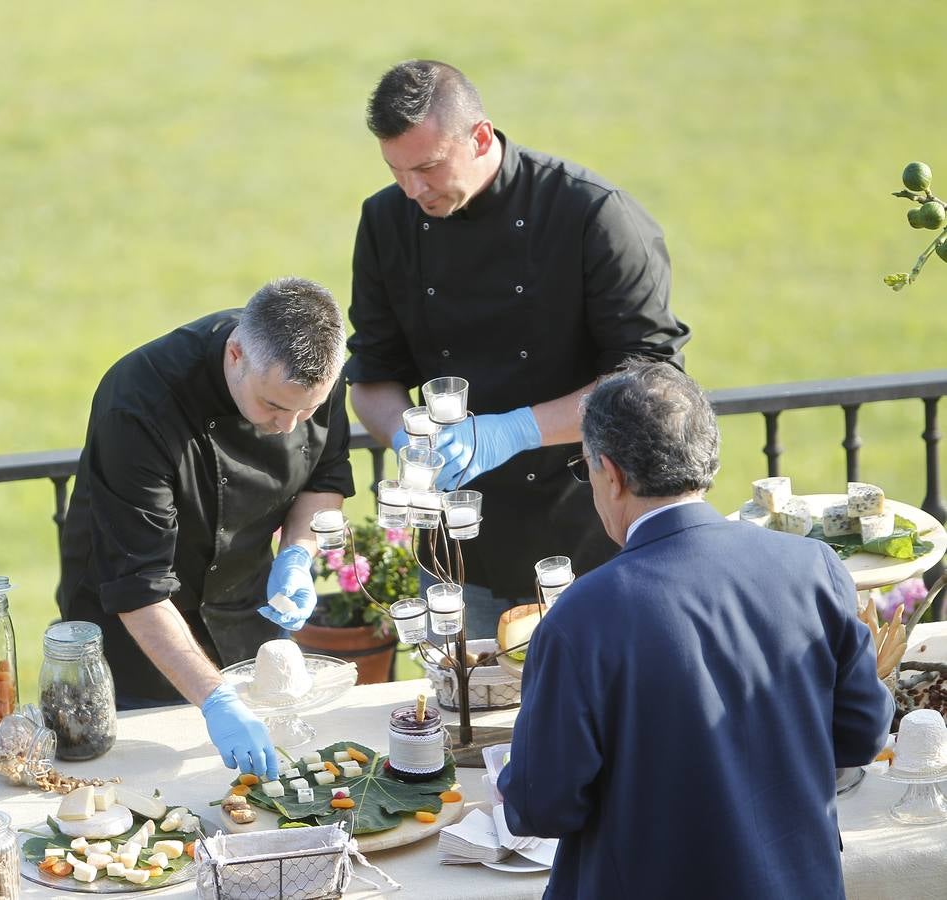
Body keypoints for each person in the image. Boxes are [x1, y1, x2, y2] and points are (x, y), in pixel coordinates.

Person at [497, 360, 893, 897]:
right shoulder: (814, 568)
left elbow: (541, 805)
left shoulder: (581, 618)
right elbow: (863, 733)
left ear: (610, 474)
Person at [347, 59, 691, 638]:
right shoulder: (385, 220)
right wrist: (408, 438)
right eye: (397, 170)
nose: (412, 190)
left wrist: (513, 431)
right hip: (457, 553)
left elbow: (651, 379)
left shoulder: (592, 214)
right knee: (466, 713)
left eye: (428, 167)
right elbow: (372, 374)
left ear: (480, 137)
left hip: (589, 535)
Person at [58, 276, 354, 780]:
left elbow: (325, 477)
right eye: (275, 407)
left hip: (245, 620)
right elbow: (138, 587)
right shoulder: (137, 403)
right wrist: (217, 700)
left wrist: (298, 554)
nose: (289, 425)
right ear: (236, 354)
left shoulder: (316, 371)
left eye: (306, 411)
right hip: (136, 646)